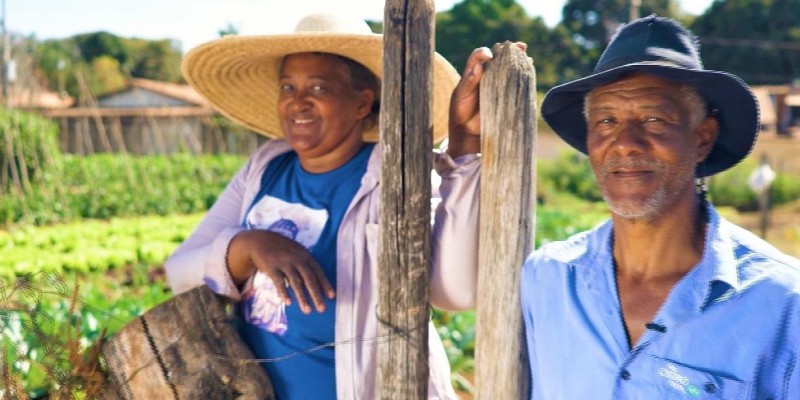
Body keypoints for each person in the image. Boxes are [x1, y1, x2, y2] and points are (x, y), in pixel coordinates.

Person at [164, 12, 489, 400]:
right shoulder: (267, 166)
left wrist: (465, 148)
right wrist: (248, 246)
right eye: (288, 87)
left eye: (317, 88)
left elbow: (455, 292)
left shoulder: (397, 176)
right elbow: (180, 272)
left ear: (361, 103)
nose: (297, 103)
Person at [517, 15, 800, 399]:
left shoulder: (782, 302)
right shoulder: (548, 279)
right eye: (606, 120)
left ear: (703, 137)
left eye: (653, 119)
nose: (625, 143)